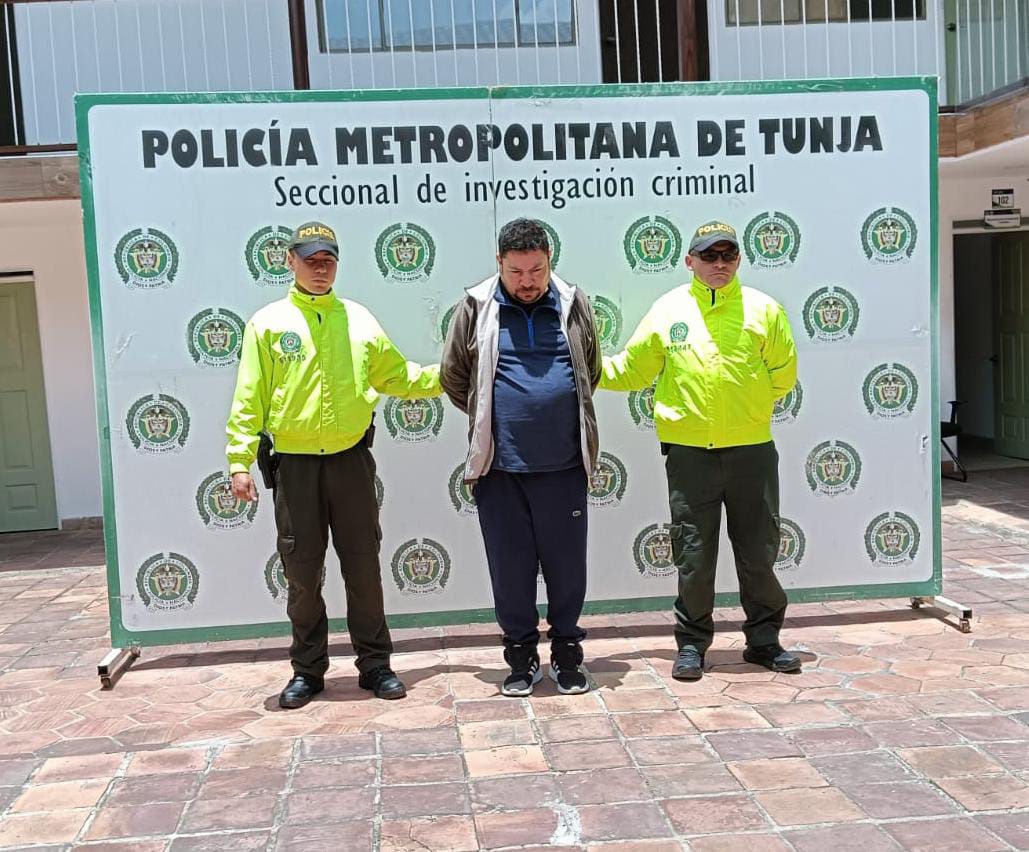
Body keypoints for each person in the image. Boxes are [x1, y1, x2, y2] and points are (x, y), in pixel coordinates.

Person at [226, 220, 441, 709]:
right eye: (310, 259)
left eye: (328, 260)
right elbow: (248, 399)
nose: (320, 269)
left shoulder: (359, 320)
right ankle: (307, 671)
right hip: (295, 469)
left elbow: (398, 375)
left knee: (363, 568)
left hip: (350, 464)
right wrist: (240, 460)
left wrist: (448, 376)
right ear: (290, 261)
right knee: (302, 573)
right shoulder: (268, 324)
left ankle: (376, 666)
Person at [601, 220, 801, 680]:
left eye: (728, 255)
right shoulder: (668, 309)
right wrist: (584, 365)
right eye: (709, 256)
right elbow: (634, 370)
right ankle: (691, 645)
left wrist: (745, 409)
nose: (719, 264)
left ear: (739, 260)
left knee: (758, 550)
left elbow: (782, 374)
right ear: (689, 260)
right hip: (690, 455)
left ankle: (765, 642)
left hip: (751, 450)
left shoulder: (763, 309)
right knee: (694, 553)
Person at [441, 218, 602, 696]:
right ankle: (520, 657)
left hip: (565, 467)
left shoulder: (574, 304)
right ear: (499, 264)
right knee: (509, 572)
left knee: (567, 572)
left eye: (537, 270)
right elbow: (455, 376)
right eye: (517, 272)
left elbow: (588, 369)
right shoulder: (475, 306)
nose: (528, 281)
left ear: (550, 262)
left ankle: (569, 655)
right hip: (500, 469)